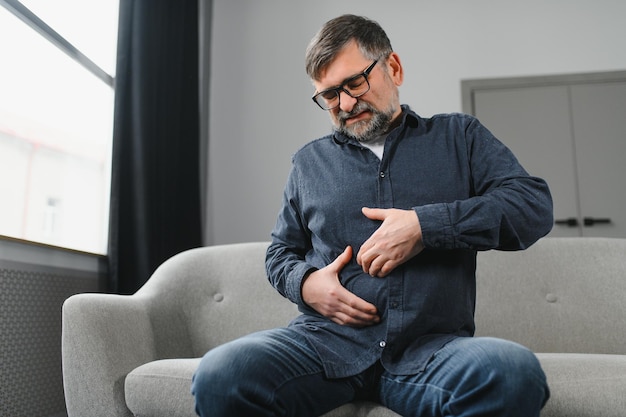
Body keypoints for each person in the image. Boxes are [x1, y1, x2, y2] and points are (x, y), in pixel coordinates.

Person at [192, 14, 553, 417]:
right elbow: (280, 253)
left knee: (511, 373)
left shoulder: (460, 137)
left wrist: (424, 226)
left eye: (354, 83)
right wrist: (307, 284)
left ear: (393, 68)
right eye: (329, 96)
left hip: (432, 349)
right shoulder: (308, 163)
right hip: (323, 344)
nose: (345, 104)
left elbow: (532, 205)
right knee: (223, 373)